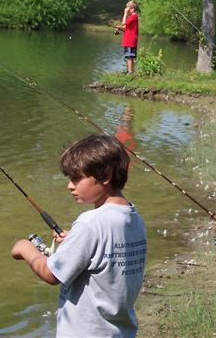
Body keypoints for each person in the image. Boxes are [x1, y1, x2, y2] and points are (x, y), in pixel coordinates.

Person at [10, 134, 147, 337]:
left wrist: (26, 249)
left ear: (106, 175)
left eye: (76, 178)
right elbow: (106, 255)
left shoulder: (89, 223)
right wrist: (74, 241)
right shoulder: (134, 218)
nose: (70, 186)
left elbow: (51, 274)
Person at [116, 1, 139, 75]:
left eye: (127, 8)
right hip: (130, 39)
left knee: (129, 56)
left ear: (132, 9)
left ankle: (130, 72)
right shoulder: (133, 17)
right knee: (130, 56)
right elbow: (126, 27)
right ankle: (131, 71)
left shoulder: (133, 16)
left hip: (130, 40)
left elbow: (124, 23)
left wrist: (125, 13)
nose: (126, 9)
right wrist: (120, 28)